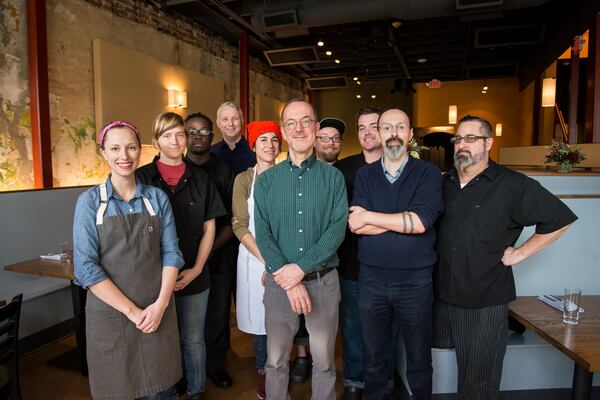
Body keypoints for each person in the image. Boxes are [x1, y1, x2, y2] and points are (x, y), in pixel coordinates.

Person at [433, 115, 577, 400]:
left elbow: (560, 219)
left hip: (484, 299)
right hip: (441, 296)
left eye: (471, 138)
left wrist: (521, 253)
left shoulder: (511, 184)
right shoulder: (443, 182)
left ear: (488, 143)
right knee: (447, 367)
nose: (462, 145)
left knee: (479, 381)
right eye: (458, 139)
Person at [73, 121, 184, 400]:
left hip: (156, 310)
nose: (124, 155)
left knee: (161, 391)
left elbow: (172, 253)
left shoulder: (156, 198)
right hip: (112, 317)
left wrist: (160, 305)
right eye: (115, 148)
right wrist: (134, 312)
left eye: (131, 147)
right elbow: (86, 268)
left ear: (140, 151)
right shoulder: (89, 203)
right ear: (104, 153)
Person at [254, 98, 348, 400]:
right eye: (291, 123)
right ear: (283, 131)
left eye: (306, 121)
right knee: (276, 361)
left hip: (323, 283)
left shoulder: (333, 178)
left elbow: (336, 230)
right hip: (280, 286)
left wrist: (300, 269)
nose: (299, 128)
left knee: (323, 363)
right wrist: (289, 276)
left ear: (316, 128)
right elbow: (263, 234)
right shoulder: (266, 181)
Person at [349, 108, 443, 400]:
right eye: (386, 127)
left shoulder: (427, 173)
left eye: (400, 127)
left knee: (418, 360)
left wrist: (373, 217)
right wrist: (401, 219)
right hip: (371, 282)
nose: (393, 133)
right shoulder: (365, 175)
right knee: (374, 359)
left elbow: (420, 222)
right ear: (378, 134)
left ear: (410, 134)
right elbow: (355, 224)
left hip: (415, 284)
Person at [136, 112, 226, 400]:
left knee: (193, 338)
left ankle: (196, 389)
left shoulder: (201, 178)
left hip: (194, 275)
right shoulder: (141, 179)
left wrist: (198, 268)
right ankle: (166, 389)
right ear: (156, 140)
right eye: (167, 135)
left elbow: (209, 227)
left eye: (179, 134)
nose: (175, 141)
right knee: (161, 339)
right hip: (153, 278)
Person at [336, 107, 395, 399]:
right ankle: (354, 381)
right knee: (352, 327)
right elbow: (342, 220)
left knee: (388, 329)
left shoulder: (400, 168)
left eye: (375, 126)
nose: (368, 132)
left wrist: (368, 219)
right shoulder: (343, 170)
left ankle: (385, 382)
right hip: (352, 264)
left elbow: (407, 217)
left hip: (391, 265)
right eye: (362, 127)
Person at [290, 116, 346, 384]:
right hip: (299, 263)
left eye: (335, 138)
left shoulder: (343, 173)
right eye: (324, 137)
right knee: (300, 316)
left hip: (337, 261)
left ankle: (324, 366)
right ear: (314, 137)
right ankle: (302, 356)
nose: (329, 142)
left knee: (326, 322)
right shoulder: (293, 173)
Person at [185, 111, 237, 389]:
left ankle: (215, 366)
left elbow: (233, 221)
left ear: (211, 136)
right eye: (192, 131)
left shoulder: (224, 171)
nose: (198, 137)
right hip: (181, 260)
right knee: (186, 319)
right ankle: (187, 370)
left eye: (203, 132)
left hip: (219, 255)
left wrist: (206, 254)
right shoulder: (175, 169)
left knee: (216, 316)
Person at [231, 120, 282, 400]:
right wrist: (268, 261)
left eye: (274, 139)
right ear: (253, 145)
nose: (269, 145)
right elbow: (240, 225)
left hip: (286, 257)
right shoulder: (244, 180)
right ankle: (264, 371)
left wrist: (279, 262)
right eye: (263, 139)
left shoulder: (289, 175)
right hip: (253, 256)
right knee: (261, 320)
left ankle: (282, 367)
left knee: (284, 318)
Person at [211, 101, 256, 174]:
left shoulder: (255, 151)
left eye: (235, 118)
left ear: (242, 121)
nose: (231, 124)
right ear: (218, 123)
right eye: (225, 119)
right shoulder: (211, 153)